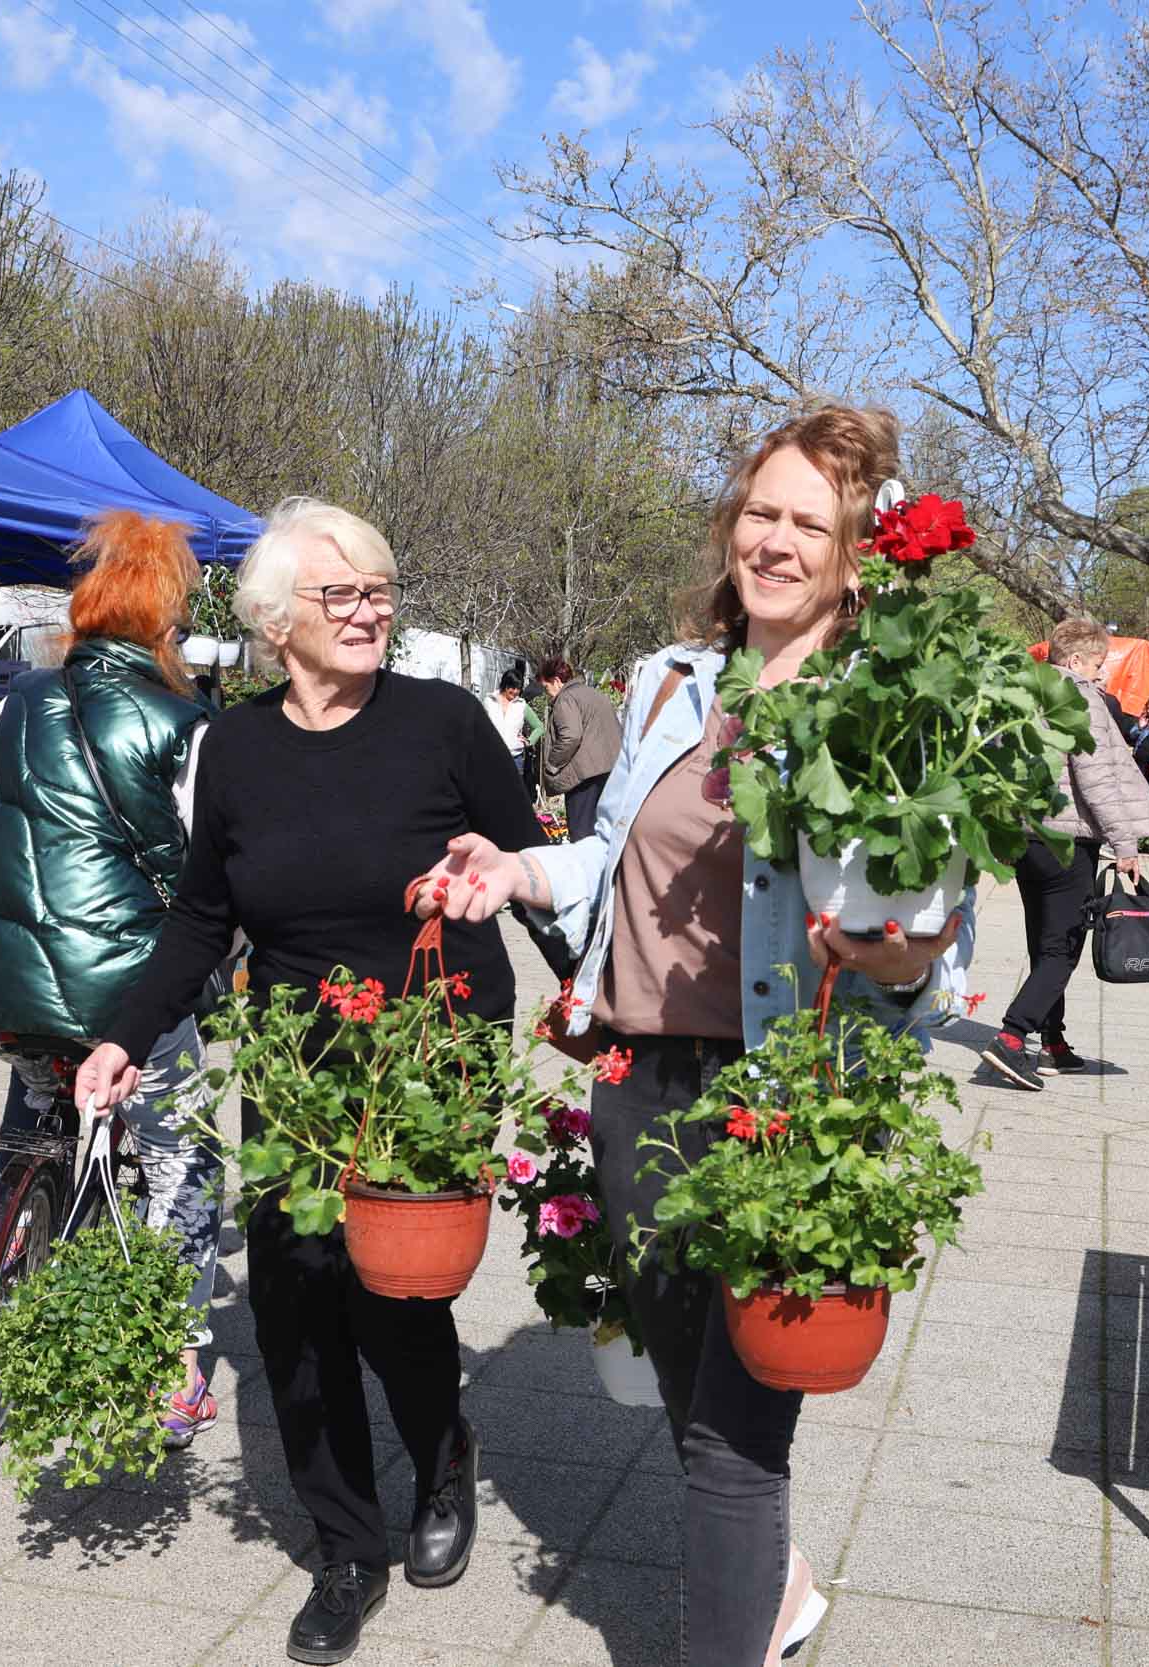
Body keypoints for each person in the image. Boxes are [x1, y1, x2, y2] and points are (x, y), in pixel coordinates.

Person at [403, 407, 973, 1667]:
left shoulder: (880, 704)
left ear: (853, 553)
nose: (772, 541)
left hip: (782, 1094)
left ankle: (731, 1622)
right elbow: (614, 856)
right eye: (759, 513)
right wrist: (515, 869)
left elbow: (938, 911)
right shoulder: (675, 680)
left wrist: (894, 954)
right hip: (636, 1075)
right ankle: (776, 1580)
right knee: (682, 1381)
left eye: (805, 523)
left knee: (734, 1438)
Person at [75, 498, 546, 1666]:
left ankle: (443, 1457)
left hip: (434, 1046)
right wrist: (125, 1034)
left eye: (382, 589)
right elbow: (201, 916)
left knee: (395, 1293)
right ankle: (346, 1548)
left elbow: (529, 868)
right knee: (291, 1296)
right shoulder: (233, 743)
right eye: (343, 594)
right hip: (297, 1059)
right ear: (280, 621)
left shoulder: (443, 723)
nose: (371, 609)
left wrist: (596, 994)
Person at [0, 510, 227, 1449]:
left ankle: (7, 1229)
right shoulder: (186, 724)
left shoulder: (18, 704)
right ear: (164, 629)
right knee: (180, 1156)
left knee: (33, 1092)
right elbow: (211, 873)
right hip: (121, 996)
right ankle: (175, 1365)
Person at [980, 617, 1149, 1091]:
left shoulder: (1020, 692)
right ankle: (1012, 1039)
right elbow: (1096, 779)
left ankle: (1053, 1043)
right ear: (1077, 660)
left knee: (1043, 940)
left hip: (1024, 837)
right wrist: (1125, 844)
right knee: (1062, 948)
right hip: (1069, 841)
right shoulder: (1082, 698)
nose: (1102, 674)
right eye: (1099, 664)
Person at [538, 654, 619, 840]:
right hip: (610, 770)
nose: (547, 693)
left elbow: (570, 736)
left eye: (546, 687)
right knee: (603, 830)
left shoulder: (566, 699)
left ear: (557, 681)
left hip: (584, 776)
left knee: (581, 832)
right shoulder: (594, 694)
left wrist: (552, 764)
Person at [485, 667, 536, 799]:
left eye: (518, 688)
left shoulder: (521, 704)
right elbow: (479, 725)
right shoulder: (489, 701)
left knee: (512, 797)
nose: (515, 692)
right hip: (492, 757)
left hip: (515, 758)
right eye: (512, 688)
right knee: (492, 794)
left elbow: (539, 727)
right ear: (504, 685)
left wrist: (529, 741)